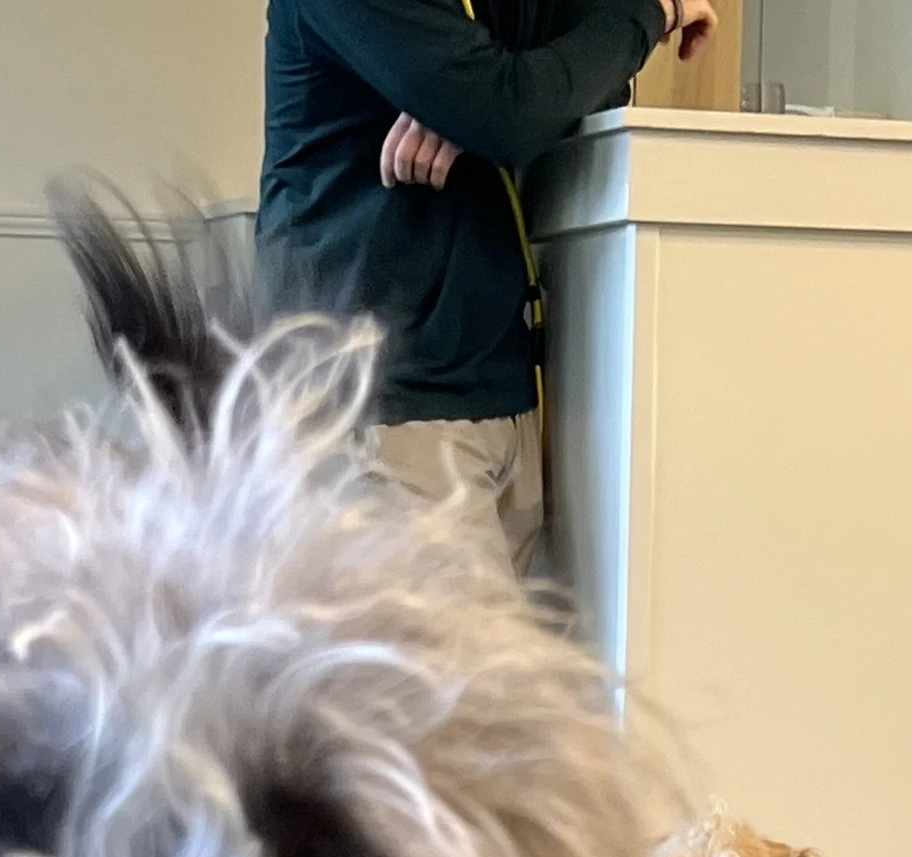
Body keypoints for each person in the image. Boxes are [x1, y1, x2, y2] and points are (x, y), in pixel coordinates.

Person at [259, 0, 719, 568]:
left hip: (501, 396)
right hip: (387, 409)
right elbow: (512, 112)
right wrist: (656, 12)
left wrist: (475, 104)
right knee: (429, 659)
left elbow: (571, 90)